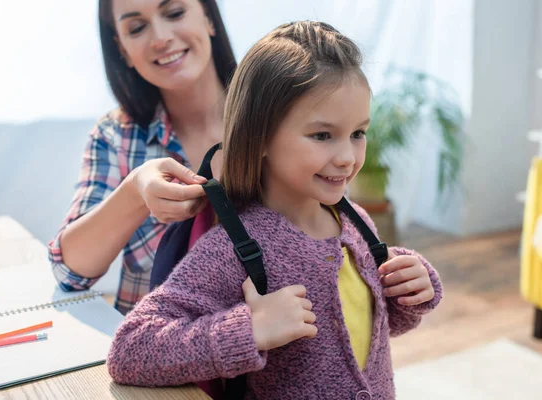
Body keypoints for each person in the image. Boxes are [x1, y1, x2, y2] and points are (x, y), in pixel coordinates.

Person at [105, 21, 443, 399]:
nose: (347, 157)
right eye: (322, 135)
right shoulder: (233, 249)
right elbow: (130, 350)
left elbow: (366, 332)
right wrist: (249, 329)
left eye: (358, 133)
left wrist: (410, 293)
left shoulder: (357, 224)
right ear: (260, 136)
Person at [48, 0, 236, 314]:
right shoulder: (116, 136)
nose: (160, 37)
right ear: (122, 50)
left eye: (175, 13)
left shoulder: (277, 119)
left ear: (209, 18)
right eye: (136, 28)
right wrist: (135, 191)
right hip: (153, 354)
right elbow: (70, 272)